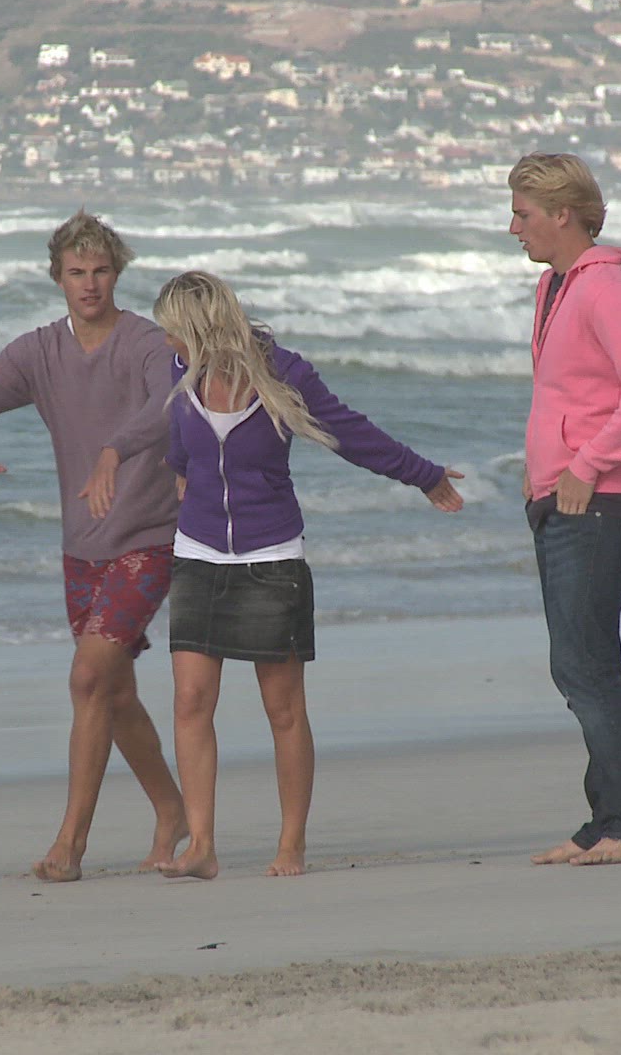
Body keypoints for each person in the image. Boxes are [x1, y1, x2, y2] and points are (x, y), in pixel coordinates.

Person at [152, 271, 465, 880]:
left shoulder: (284, 373)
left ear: (200, 329)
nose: (170, 345)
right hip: (197, 551)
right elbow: (180, 446)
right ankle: (202, 847)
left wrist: (423, 475)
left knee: (283, 709)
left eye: (175, 333)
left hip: (272, 554)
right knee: (190, 700)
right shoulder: (181, 370)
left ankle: (291, 844)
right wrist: (180, 471)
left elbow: (350, 433)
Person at [0, 211, 188, 883]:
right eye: (77, 272)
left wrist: (114, 450)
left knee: (86, 678)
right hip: (82, 546)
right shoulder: (39, 353)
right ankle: (172, 811)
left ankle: (70, 843)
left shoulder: (146, 343)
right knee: (114, 693)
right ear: (58, 278)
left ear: (117, 273)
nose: (90, 283)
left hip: (148, 538)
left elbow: (168, 404)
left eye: (100, 270)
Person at [508, 153, 621, 867]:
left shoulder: (606, 285)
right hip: (562, 496)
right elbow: (570, 392)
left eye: (523, 214)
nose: (513, 228)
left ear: (563, 214)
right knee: (580, 664)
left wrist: (585, 465)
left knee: (586, 667)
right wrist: (543, 470)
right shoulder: (556, 284)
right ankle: (608, 818)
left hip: (600, 501)